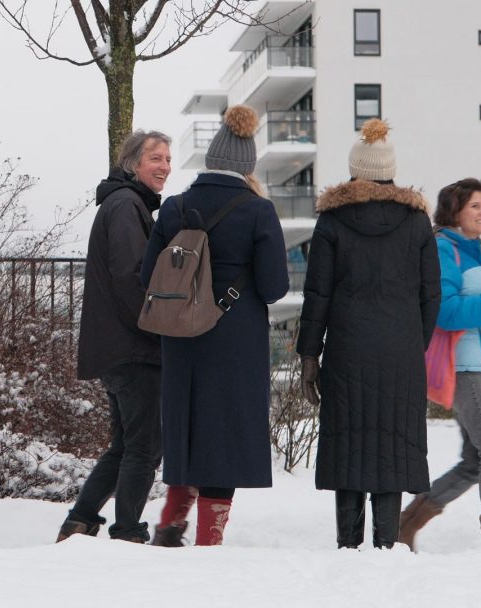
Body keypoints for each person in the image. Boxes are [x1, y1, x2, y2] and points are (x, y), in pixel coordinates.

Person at [141, 105, 289, 546]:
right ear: (247, 165)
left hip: (181, 335)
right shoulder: (258, 211)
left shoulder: (175, 207)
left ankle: (171, 517)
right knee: (225, 431)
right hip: (235, 337)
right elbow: (275, 286)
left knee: (187, 425)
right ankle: (209, 538)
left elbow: (149, 273)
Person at [296, 119, 441, 550]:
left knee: (348, 439)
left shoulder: (333, 222)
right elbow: (431, 295)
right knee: (393, 441)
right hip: (399, 351)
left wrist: (309, 355)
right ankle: (385, 543)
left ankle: (348, 543)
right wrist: (414, 344)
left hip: (346, 348)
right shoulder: (417, 223)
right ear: (391, 171)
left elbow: (317, 293)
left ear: (355, 170)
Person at [398, 178, 481, 549]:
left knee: (475, 460)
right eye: (475, 205)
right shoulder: (445, 249)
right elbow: (446, 311)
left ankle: (406, 523)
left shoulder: (478, 252)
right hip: (464, 367)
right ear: (453, 210)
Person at [56, 130, 170, 544]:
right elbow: (130, 276)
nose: (165, 167)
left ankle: (79, 521)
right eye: (155, 158)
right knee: (144, 448)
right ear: (133, 164)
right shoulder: (126, 205)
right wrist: (159, 327)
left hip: (118, 348)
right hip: (134, 349)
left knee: (124, 445)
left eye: (168, 159)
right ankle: (127, 532)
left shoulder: (126, 203)